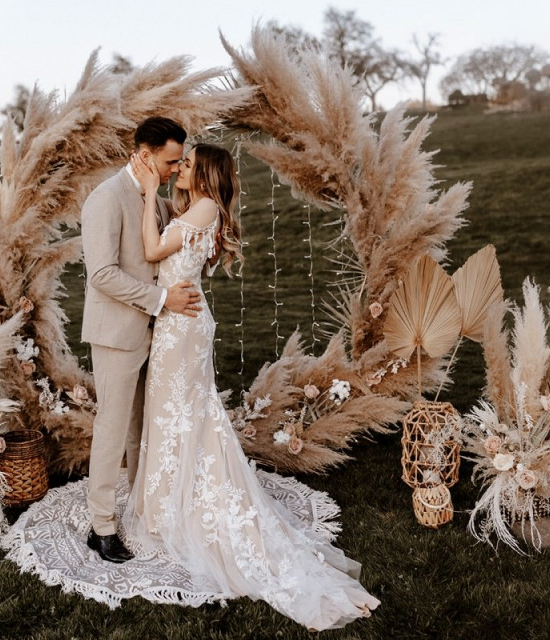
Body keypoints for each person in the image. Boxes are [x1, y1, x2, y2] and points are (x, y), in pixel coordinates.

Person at [123, 143, 380, 631]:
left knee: (178, 415)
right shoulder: (203, 209)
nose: (178, 168)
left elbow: (152, 251)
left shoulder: (200, 208)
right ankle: (168, 500)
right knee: (185, 417)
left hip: (181, 329)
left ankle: (173, 508)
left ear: (203, 174)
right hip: (183, 323)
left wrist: (148, 192)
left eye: (186, 163)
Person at [80, 116, 203, 563]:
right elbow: (102, 275)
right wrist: (161, 298)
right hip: (116, 334)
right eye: (170, 161)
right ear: (145, 155)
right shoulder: (105, 199)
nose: (175, 169)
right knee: (112, 431)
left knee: (141, 428)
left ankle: (138, 509)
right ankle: (101, 528)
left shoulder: (159, 197)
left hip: (159, 334)